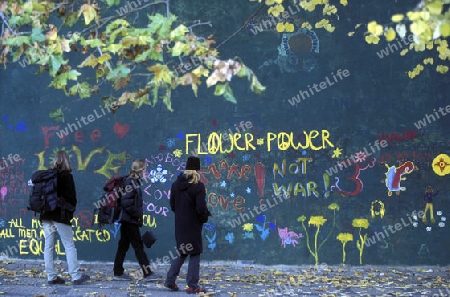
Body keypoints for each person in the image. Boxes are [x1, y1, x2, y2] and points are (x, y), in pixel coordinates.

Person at [41, 150, 90, 285]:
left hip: (46, 215)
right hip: (60, 216)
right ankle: (76, 276)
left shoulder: (47, 175)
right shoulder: (67, 176)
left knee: (48, 246)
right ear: (67, 161)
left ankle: (51, 277)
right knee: (69, 245)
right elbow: (71, 198)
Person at [164, 156, 211, 294]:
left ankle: (170, 280)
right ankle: (192, 285)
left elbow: (172, 205)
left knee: (182, 251)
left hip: (180, 224)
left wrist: (181, 215)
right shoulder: (198, 186)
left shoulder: (175, 185)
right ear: (198, 169)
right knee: (195, 252)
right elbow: (201, 208)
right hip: (193, 224)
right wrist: (203, 218)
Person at [113, 159, 160, 281]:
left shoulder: (133, 181)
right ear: (140, 170)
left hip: (128, 219)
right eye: (144, 169)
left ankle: (117, 272)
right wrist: (137, 215)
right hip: (129, 220)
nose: (145, 171)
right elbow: (126, 202)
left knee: (123, 245)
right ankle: (147, 273)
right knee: (138, 245)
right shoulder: (131, 183)